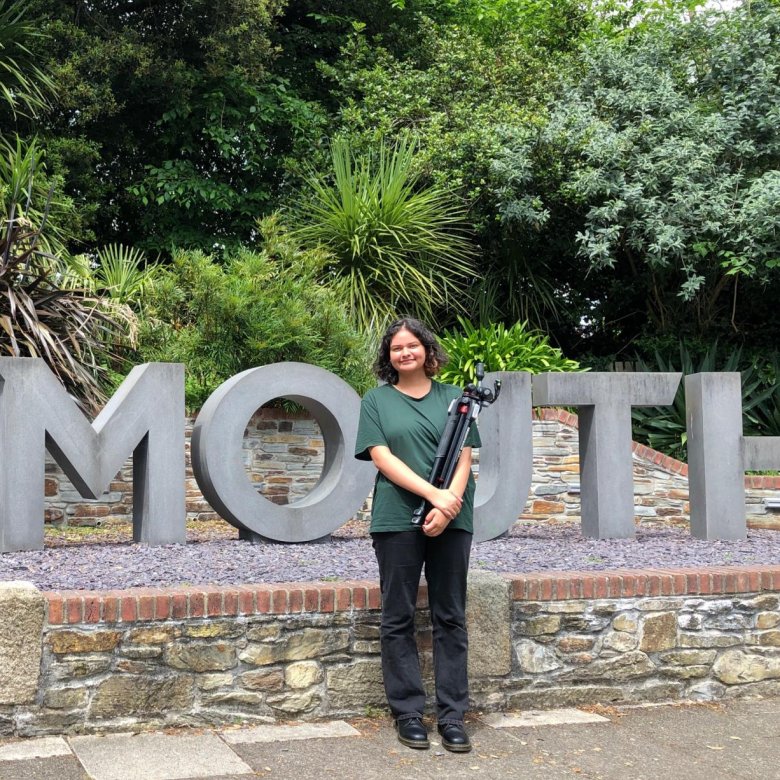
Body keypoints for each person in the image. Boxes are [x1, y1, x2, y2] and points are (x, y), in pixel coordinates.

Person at [354, 317, 481, 753]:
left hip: (453, 519)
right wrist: (432, 495)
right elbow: (381, 457)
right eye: (396, 348)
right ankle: (407, 712)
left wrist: (448, 507)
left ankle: (451, 716)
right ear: (388, 357)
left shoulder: (455, 399)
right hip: (396, 517)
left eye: (412, 346)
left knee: (450, 616)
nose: (405, 353)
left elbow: (465, 458)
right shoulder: (376, 401)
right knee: (398, 617)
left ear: (427, 350)